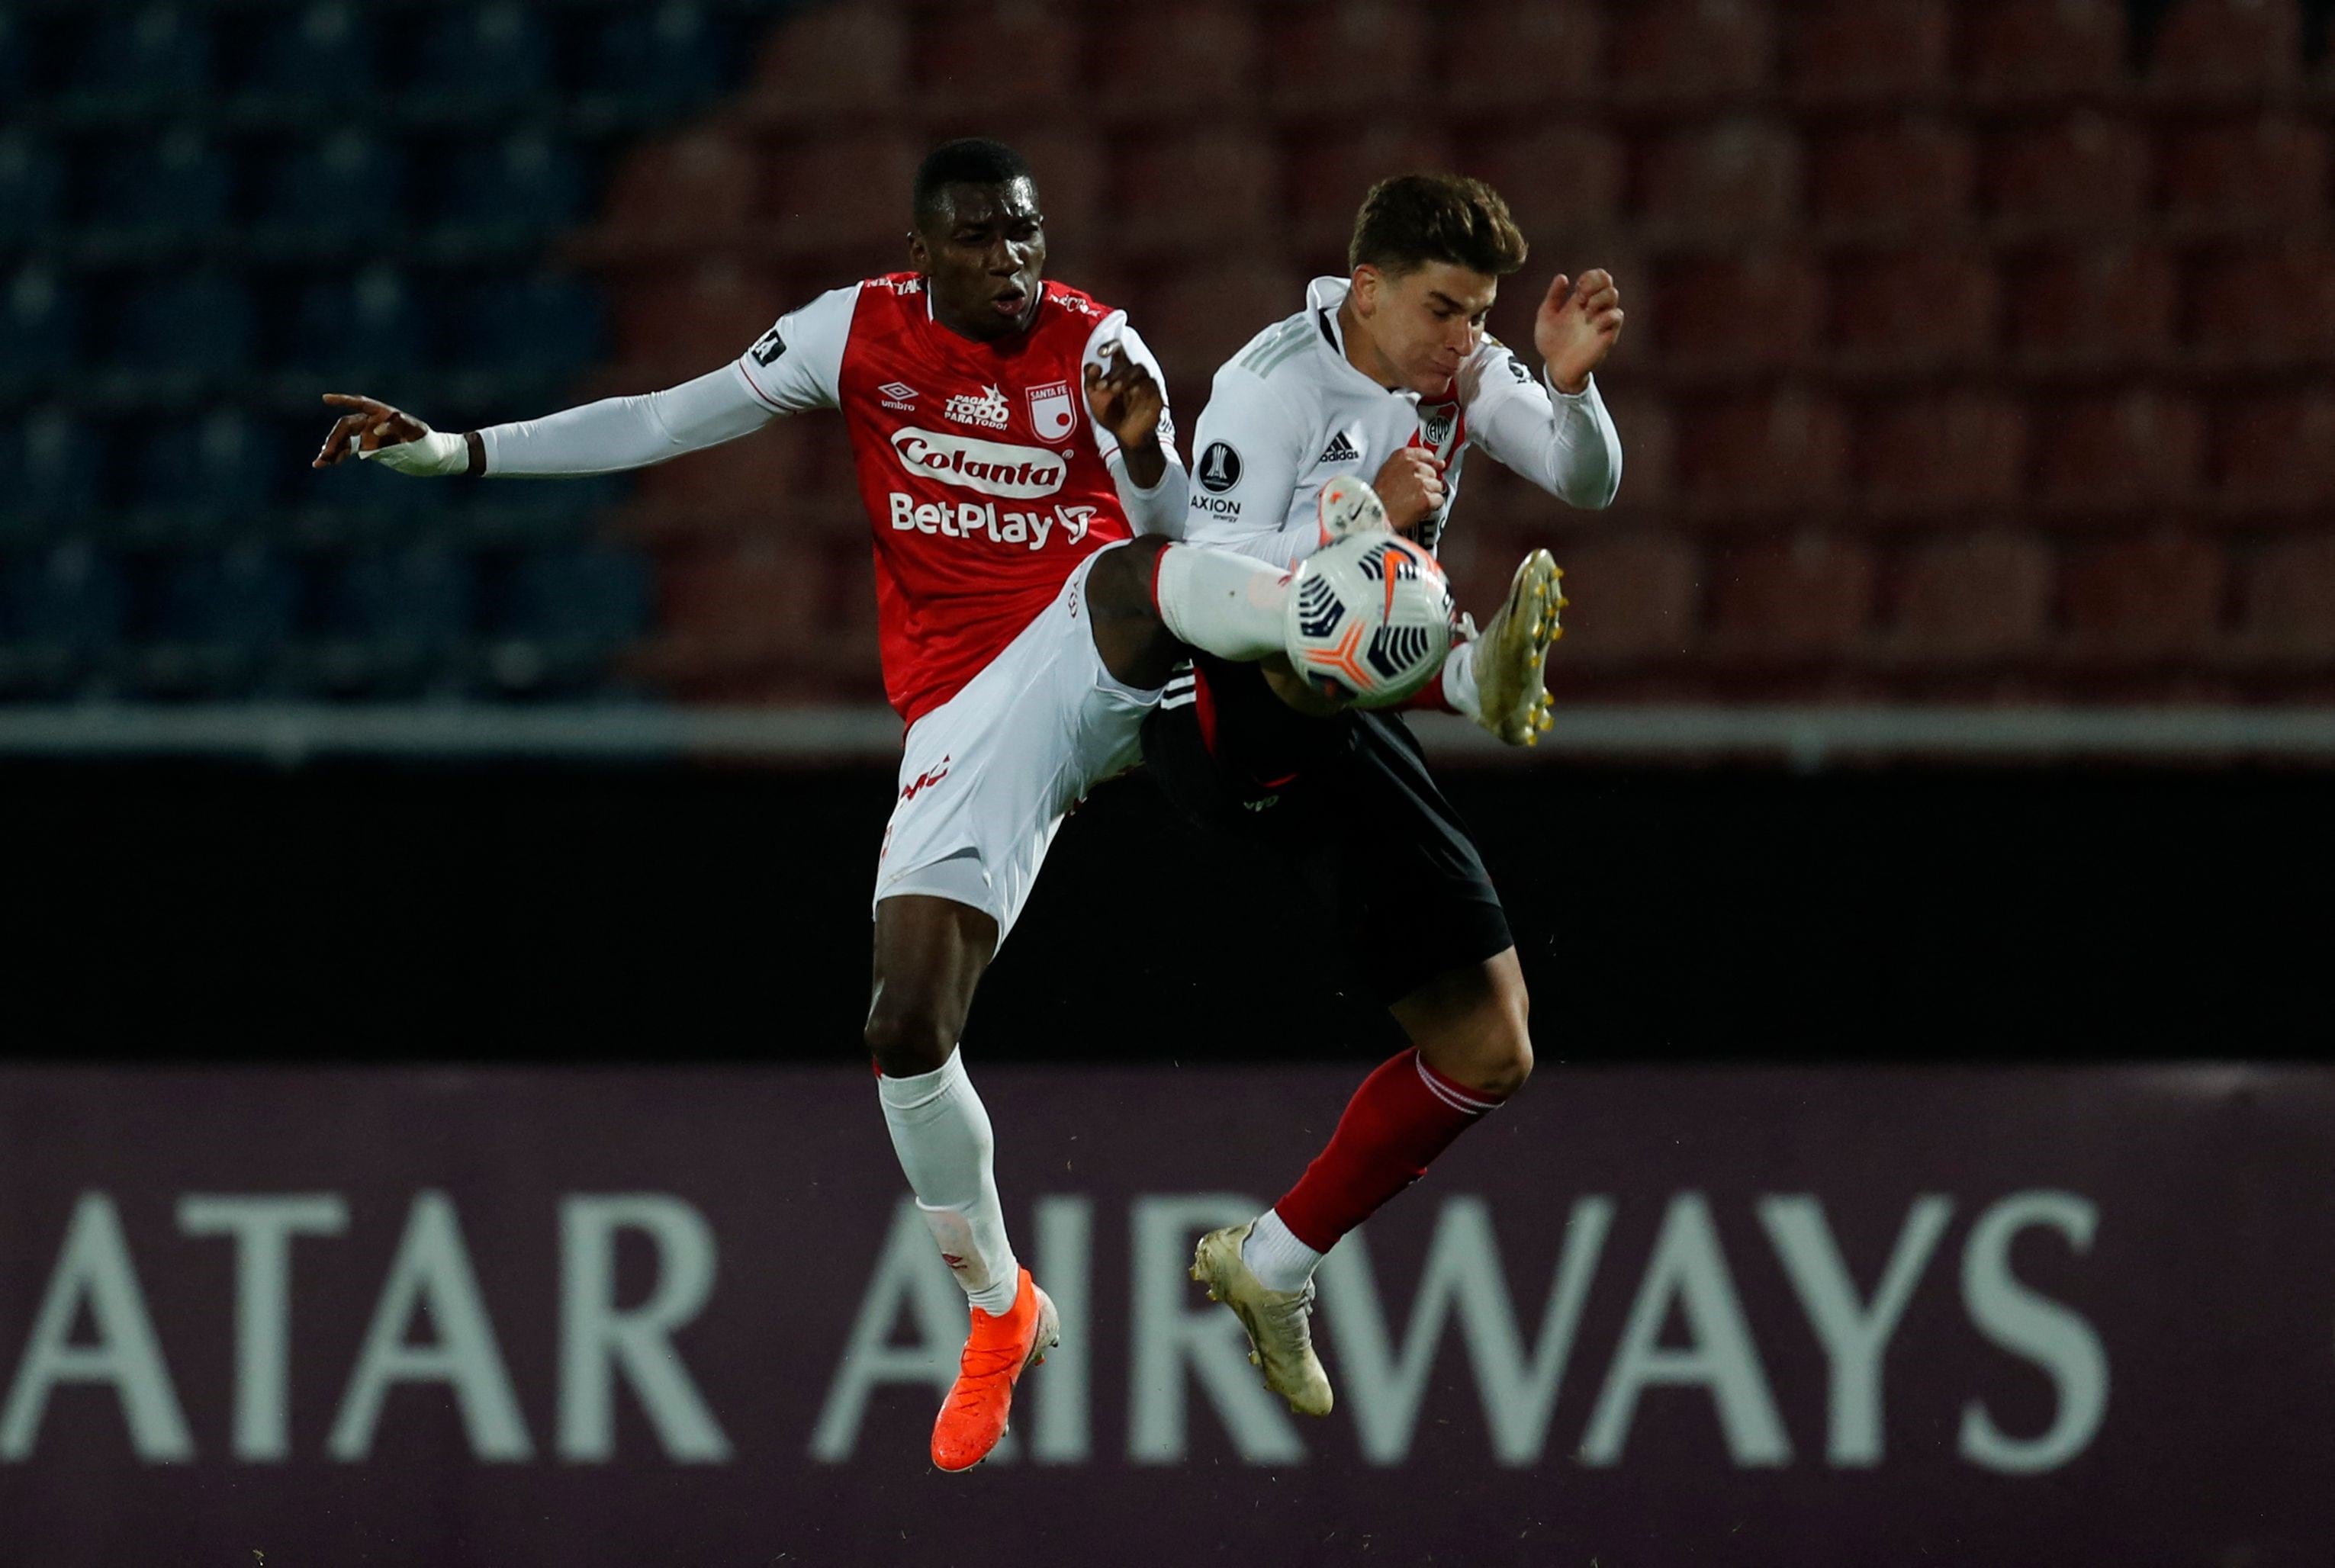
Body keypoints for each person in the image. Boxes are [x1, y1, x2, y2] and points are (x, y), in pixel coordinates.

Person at [312, 137, 1353, 1472]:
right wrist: (458, 451)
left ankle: (1343, 628)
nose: (1011, 258)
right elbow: (661, 418)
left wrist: (1144, 444)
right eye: (977, 237)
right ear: (923, 256)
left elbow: (1168, 527)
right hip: (970, 718)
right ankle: (998, 1305)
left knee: (1138, 577)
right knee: (903, 1028)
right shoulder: (849, 334)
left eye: (1025, 231)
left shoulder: (1102, 344)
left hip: (1104, 647)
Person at [1152, 172, 1626, 1417]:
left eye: (1479, 314)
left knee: (1491, 1046)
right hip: (1224, 715)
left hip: (1347, 718)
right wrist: (1346, 534)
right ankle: (1469, 679)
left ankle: (1270, 1263)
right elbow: (1204, 579)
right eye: (1442, 310)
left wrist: (1566, 388)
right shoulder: (1270, 386)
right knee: (1359, 591)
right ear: (1365, 290)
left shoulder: (1458, 373)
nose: (1465, 339)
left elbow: (1586, 486)